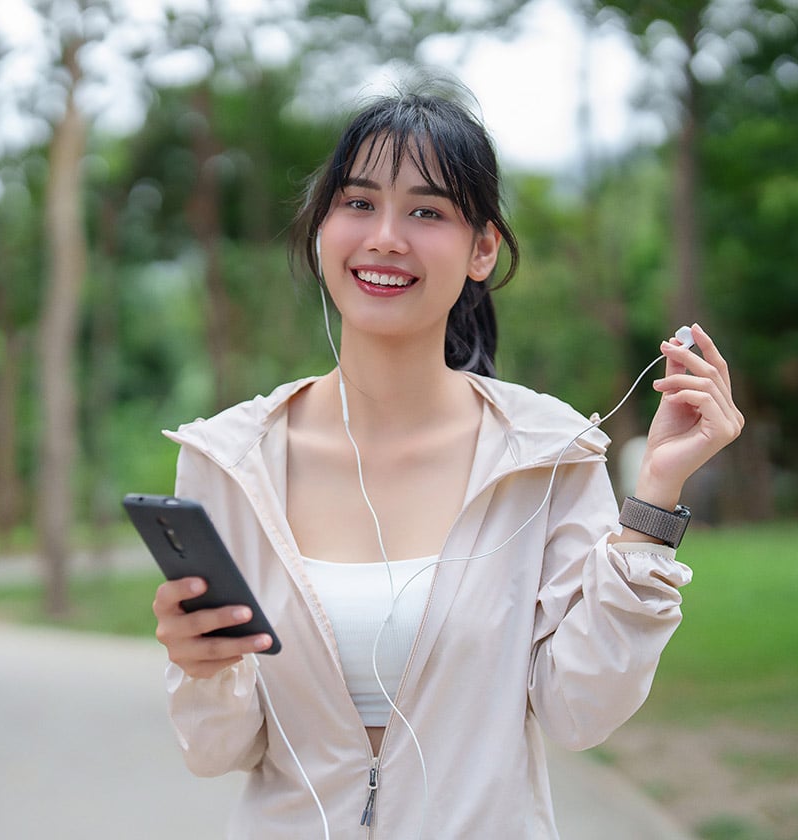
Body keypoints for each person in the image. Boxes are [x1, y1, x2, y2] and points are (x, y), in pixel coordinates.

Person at [151, 89, 743, 839]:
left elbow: (579, 712)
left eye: (427, 212)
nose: (386, 237)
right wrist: (203, 668)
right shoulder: (230, 461)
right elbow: (217, 749)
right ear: (321, 230)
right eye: (358, 204)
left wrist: (654, 501)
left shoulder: (548, 455)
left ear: (482, 250)